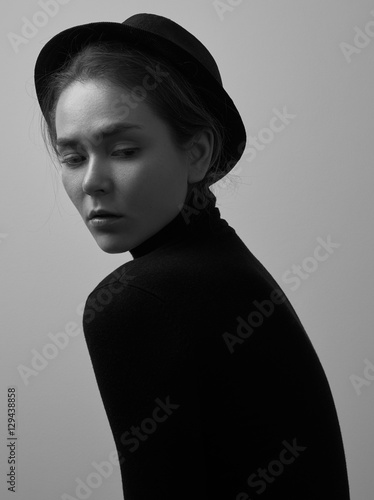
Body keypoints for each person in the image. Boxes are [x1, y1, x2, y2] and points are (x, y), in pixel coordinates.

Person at [34, 13, 350, 500]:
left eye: (122, 149)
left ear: (198, 153)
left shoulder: (139, 300)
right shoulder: (226, 268)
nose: (92, 181)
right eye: (73, 157)